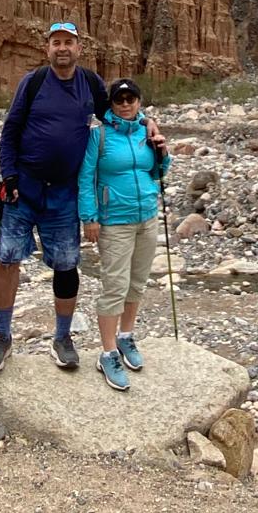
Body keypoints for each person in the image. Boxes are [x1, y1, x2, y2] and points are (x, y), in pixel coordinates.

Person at [0, 23, 164, 372]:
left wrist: (147, 122)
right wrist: (8, 175)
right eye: (56, 43)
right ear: (47, 48)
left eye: (68, 42)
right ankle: (2, 336)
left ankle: (63, 337)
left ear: (79, 49)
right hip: (24, 187)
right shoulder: (32, 83)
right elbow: (11, 132)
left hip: (65, 192)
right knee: (6, 259)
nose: (62, 48)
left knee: (66, 265)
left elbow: (115, 114)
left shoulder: (90, 83)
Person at [78, 77, 171, 391]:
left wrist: (164, 153)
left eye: (131, 98)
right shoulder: (99, 136)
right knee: (114, 285)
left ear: (139, 102)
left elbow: (157, 172)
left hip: (147, 217)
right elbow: (86, 178)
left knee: (137, 281)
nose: (126, 103)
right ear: (112, 104)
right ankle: (106, 353)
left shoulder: (147, 132)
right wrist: (89, 218)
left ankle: (125, 337)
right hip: (114, 221)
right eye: (120, 99)